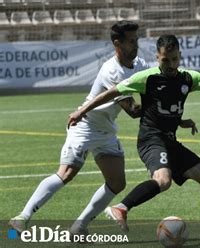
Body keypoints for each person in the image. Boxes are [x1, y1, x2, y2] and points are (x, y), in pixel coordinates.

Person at [67, 34, 200, 243]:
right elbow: (111, 93)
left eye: (174, 59)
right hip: (151, 140)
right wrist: (82, 111)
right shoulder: (146, 78)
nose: (171, 64)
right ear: (157, 57)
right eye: (165, 60)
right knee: (163, 181)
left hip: (170, 141)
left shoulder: (188, 77)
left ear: (179, 56)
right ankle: (121, 208)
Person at [9, 20, 149, 235]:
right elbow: (132, 110)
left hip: (105, 129)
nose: (136, 45)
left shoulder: (139, 64)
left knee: (117, 182)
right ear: (117, 43)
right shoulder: (113, 71)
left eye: (137, 40)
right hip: (85, 126)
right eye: (131, 41)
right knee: (66, 173)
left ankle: (79, 227)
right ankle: (22, 217)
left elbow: (155, 82)